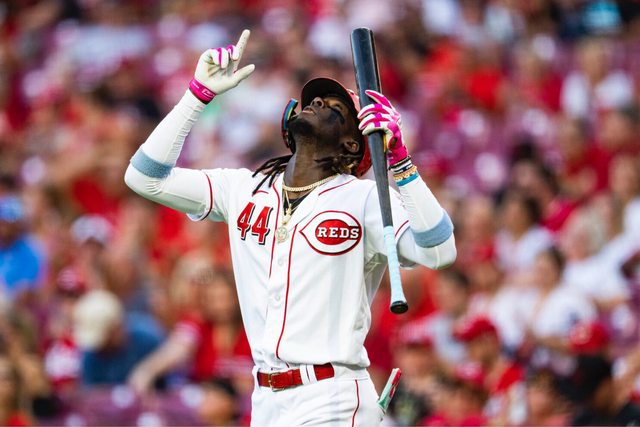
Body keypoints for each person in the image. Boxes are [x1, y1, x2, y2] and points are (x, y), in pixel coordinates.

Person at [124, 29, 456, 425]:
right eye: (313, 99)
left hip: (332, 396)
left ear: (352, 145)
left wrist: (400, 160)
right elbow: (145, 177)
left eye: (333, 107)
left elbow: (439, 251)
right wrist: (197, 96)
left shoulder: (364, 197)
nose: (316, 103)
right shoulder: (243, 188)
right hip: (265, 400)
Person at [72, 290, 163, 386]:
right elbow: (91, 389)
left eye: (106, 338)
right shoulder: (90, 355)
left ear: (116, 327)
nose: (101, 347)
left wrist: (149, 370)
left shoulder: (147, 338)